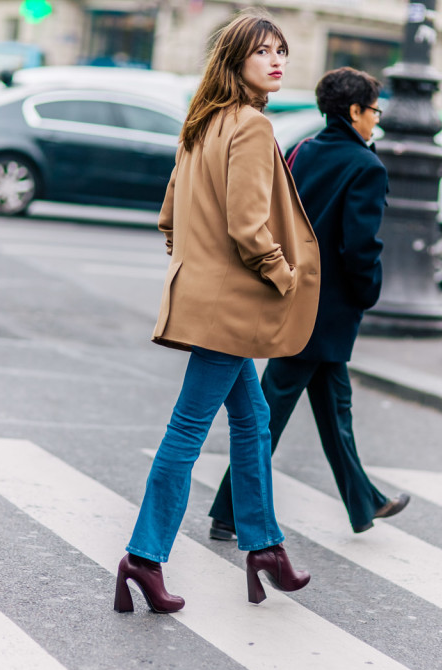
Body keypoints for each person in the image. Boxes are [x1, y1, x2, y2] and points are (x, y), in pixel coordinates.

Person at [114, 11, 321, 615]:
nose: (277, 60)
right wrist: (283, 275)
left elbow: (169, 216)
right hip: (232, 306)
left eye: (281, 49)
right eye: (262, 52)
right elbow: (248, 226)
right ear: (237, 63)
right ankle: (143, 556)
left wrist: (197, 263)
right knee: (187, 430)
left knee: (253, 422)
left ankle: (265, 548)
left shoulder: (201, 123)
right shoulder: (252, 127)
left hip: (203, 295)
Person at [207, 67, 410, 540]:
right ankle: (227, 510)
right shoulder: (365, 167)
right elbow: (359, 247)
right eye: (373, 111)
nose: (375, 121)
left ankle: (364, 502)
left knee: (334, 404)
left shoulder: (304, 150)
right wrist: (368, 291)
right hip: (330, 308)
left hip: (296, 297)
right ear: (354, 111)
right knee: (271, 411)